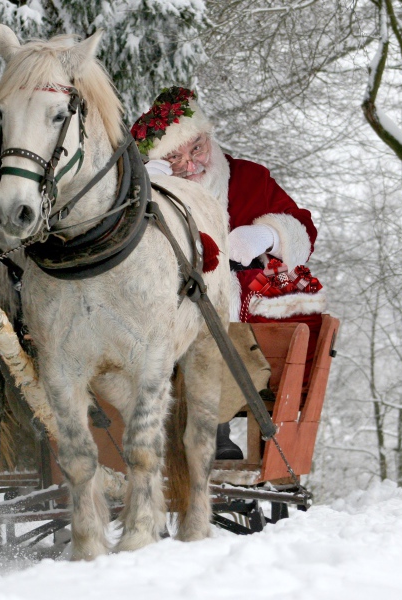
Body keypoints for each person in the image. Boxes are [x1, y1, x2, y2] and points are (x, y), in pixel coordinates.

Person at [131, 87, 325, 460]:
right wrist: (147, 189)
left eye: (197, 149)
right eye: (173, 157)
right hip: (157, 304)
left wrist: (268, 234)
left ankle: (214, 431)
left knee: (213, 324)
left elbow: (303, 229)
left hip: (234, 311)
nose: (190, 165)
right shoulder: (144, 186)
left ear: (209, 137)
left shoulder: (248, 178)